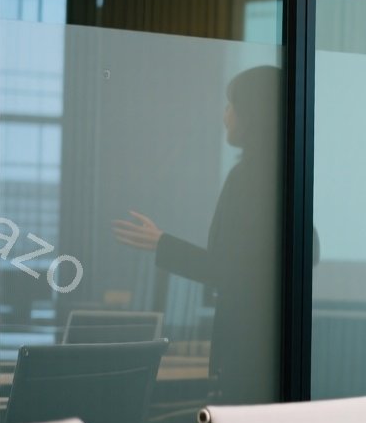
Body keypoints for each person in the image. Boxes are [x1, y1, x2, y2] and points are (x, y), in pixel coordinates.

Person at [112, 65, 286, 405]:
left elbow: (228, 270)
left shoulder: (250, 178)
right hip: (263, 346)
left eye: (230, 105)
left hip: (247, 350)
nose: (225, 117)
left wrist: (161, 243)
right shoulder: (277, 173)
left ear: (250, 112)